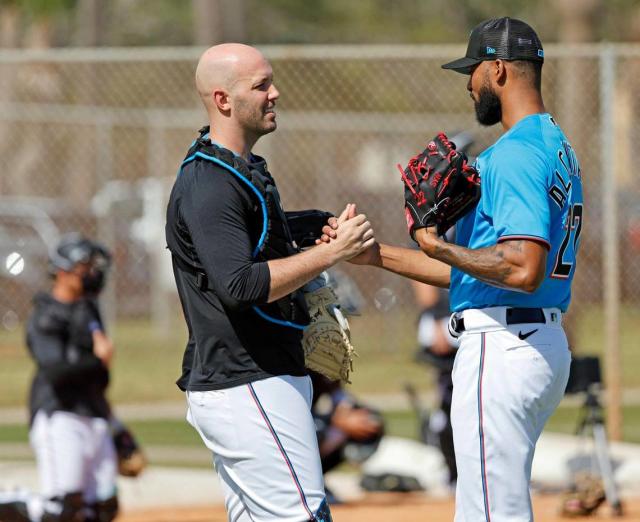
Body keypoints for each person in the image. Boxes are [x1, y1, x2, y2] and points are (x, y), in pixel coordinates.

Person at [334, 17, 583, 522]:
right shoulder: (554, 145)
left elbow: (521, 268)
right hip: (531, 340)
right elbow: (485, 271)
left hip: (504, 347)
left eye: (473, 71)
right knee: (492, 507)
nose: (469, 84)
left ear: (498, 70)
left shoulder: (513, 154)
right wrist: (374, 254)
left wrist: (435, 244)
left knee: (491, 513)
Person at [165, 43, 374, 522]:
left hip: (254, 378)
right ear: (223, 100)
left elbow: (256, 235)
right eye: (260, 85)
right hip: (247, 379)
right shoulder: (210, 184)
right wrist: (331, 254)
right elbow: (241, 285)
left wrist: (313, 225)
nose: (274, 93)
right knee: (305, 516)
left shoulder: (242, 170)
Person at [23, 234, 118, 522]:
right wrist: (98, 359)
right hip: (59, 412)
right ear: (62, 272)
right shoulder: (45, 316)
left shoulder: (88, 308)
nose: (92, 274)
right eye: (84, 267)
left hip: (93, 412)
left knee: (102, 509)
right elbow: (55, 372)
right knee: (62, 508)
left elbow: (98, 378)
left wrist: (119, 429)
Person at [411, 280, 458, 487]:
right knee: (450, 409)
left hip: (466, 318)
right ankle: (454, 472)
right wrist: (438, 319)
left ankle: (458, 472)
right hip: (449, 321)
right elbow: (424, 285)